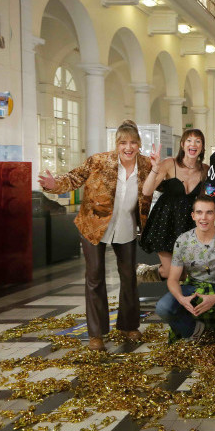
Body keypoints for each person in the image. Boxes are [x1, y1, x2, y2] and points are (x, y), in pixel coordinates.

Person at [38, 120, 152, 351]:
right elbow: (74, 178)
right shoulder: (99, 161)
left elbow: (162, 184)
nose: (128, 147)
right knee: (95, 276)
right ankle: (96, 334)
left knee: (129, 276)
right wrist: (53, 184)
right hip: (93, 225)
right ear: (116, 144)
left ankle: (129, 325)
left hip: (126, 227)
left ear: (139, 144)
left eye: (133, 142)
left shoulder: (147, 165)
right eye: (123, 143)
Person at [155, 194, 215, 343]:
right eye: (199, 212)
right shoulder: (183, 240)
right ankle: (192, 330)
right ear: (193, 216)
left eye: (209, 212)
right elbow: (173, 279)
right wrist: (181, 299)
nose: (203, 218)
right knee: (162, 307)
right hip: (193, 287)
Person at [137, 129, 209, 282]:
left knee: (183, 274)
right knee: (171, 271)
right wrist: (155, 168)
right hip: (165, 221)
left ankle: (147, 275)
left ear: (202, 147)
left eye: (198, 141)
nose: (193, 144)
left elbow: (205, 199)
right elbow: (147, 191)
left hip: (188, 224)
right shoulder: (170, 163)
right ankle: (143, 273)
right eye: (189, 140)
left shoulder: (205, 170)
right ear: (182, 144)